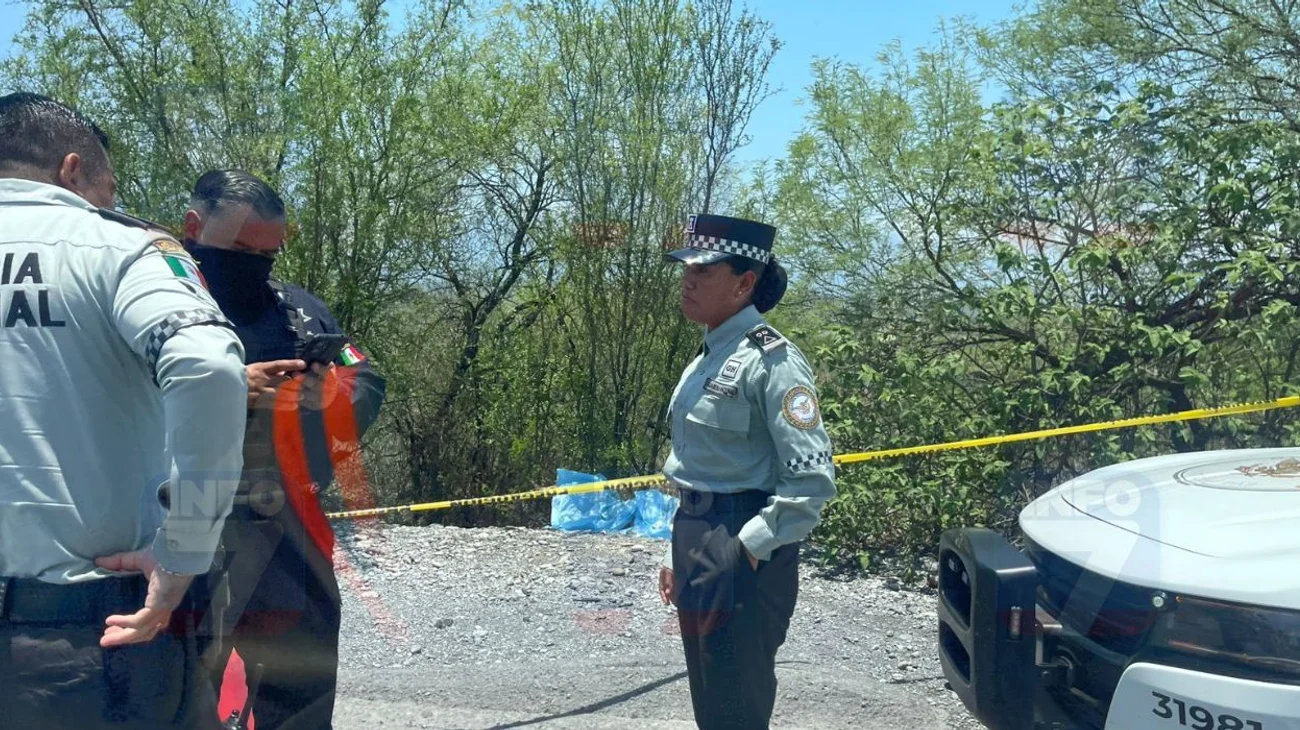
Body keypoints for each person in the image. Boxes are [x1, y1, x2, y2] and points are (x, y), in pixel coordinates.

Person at [0, 92, 248, 729]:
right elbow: (207, 365)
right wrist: (183, 551)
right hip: (88, 637)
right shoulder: (118, 247)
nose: (111, 199)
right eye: (109, 184)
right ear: (72, 168)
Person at [178, 169, 387, 730]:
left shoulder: (296, 309)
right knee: (178, 695)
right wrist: (229, 385)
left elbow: (363, 377)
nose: (255, 264)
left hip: (287, 531)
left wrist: (326, 398)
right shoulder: (154, 303)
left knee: (301, 696)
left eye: (269, 252)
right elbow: (106, 395)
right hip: (181, 524)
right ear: (193, 228)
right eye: (241, 249)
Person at [656, 213, 837, 730]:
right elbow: (698, 467)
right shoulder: (710, 354)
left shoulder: (773, 362)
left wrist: (745, 550)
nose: (688, 280)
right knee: (711, 693)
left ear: (744, 283)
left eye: (704, 271)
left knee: (736, 700)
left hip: (741, 536)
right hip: (697, 530)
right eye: (686, 268)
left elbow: (810, 482)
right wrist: (682, 552)